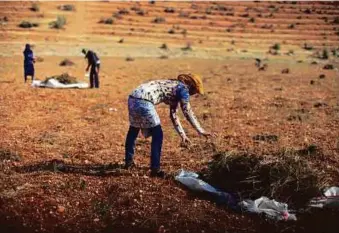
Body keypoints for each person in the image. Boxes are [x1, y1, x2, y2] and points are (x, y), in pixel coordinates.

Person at [125, 73, 213, 177]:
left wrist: (183, 135)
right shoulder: (183, 89)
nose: (194, 94)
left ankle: (128, 162)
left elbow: (173, 115)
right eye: (195, 91)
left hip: (132, 98)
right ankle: (155, 169)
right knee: (158, 135)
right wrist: (201, 130)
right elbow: (187, 112)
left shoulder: (174, 86)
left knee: (133, 130)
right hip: (144, 101)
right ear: (192, 86)